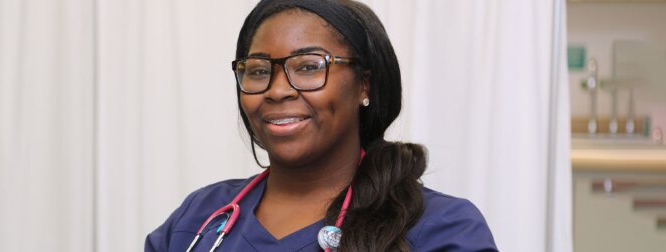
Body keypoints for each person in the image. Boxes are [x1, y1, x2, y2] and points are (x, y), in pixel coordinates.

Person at [146, 0, 497, 251]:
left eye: (309, 66)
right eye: (258, 70)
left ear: (365, 85)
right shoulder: (198, 218)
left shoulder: (440, 228)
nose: (278, 90)